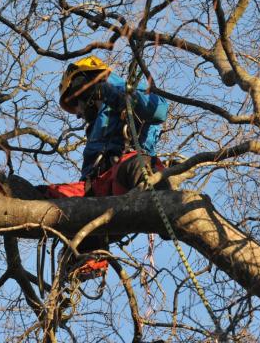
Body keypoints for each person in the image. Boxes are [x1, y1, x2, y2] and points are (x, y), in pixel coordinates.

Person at [43, 56, 170, 280]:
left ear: (82, 86)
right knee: (51, 195)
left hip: (126, 174)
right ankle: (84, 257)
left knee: (135, 166)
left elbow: (159, 111)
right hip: (97, 187)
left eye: (78, 105)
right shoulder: (95, 130)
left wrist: (116, 95)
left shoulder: (123, 89)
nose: (79, 113)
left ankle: (164, 205)